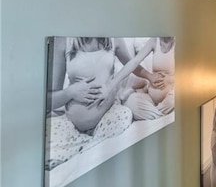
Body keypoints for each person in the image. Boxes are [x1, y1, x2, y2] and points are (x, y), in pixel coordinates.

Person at [46, 37, 158, 169]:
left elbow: (133, 65)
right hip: (72, 125)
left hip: (106, 118)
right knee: (46, 140)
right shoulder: (63, 41)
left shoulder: (113, 38)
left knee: (124, 115)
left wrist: (150, 77)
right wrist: (70, 92)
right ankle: (87, 146)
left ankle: (83, 150)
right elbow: (49, 100)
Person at [123, 37, 175, 120]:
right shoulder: (154, 41)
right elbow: (135, 62)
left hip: (170, 96)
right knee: (132, 101)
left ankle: (155, 115)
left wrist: (169, 79)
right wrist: (149, 76)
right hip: (151, 97)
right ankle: (160, 116)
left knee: (176, 98)